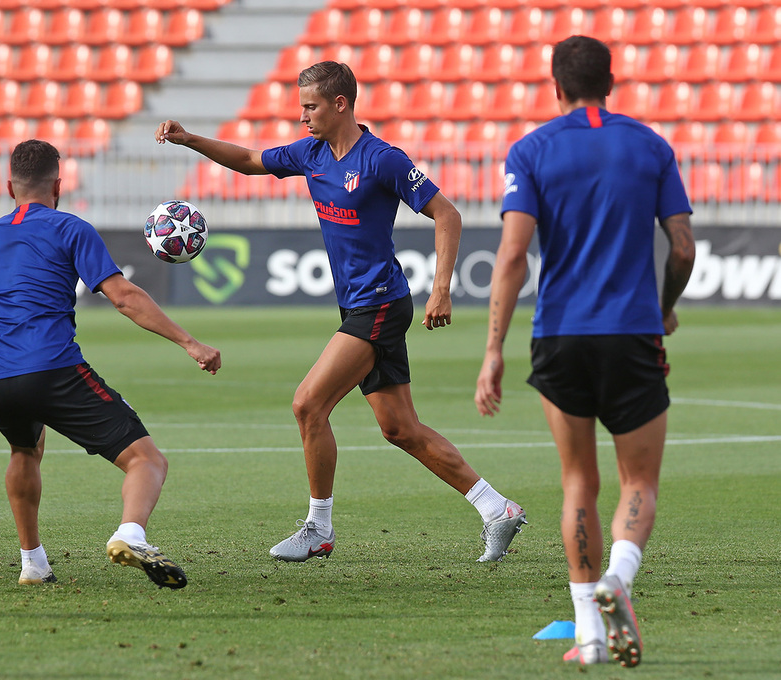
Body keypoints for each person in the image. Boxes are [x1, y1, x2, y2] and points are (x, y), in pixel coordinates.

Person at [156, 61, 526, 564]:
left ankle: (318, 528)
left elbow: (447, 214)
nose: (302, 116)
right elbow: (247, 159)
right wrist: (189, 140)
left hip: (380, 303)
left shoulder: (382, 160)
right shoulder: (310, 153)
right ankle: (497, 509)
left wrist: (441, 289)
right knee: (400, 429)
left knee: (308, 404)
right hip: (359, 304)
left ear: (340, 103)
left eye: (310, 106)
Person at [474, 36, 696, 667]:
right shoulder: (650, 146)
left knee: (579, 481)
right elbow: (682, 248)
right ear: (611, 82)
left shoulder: (532, 150)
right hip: (632, 333)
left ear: (556, 87)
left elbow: (512, 256)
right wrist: (663, 306)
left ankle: (591, 638)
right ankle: (618, 580)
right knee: (638, 481)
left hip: (560, 336)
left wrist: (494, 350)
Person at [0, 139, 221, 588]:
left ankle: (33, 563)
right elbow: (124, 297)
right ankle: (130, 534)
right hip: (53, 370)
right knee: (147, 460)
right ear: (58, 186)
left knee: (24, 450)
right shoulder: (70, 228)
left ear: (9, 187)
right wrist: (190, 343)